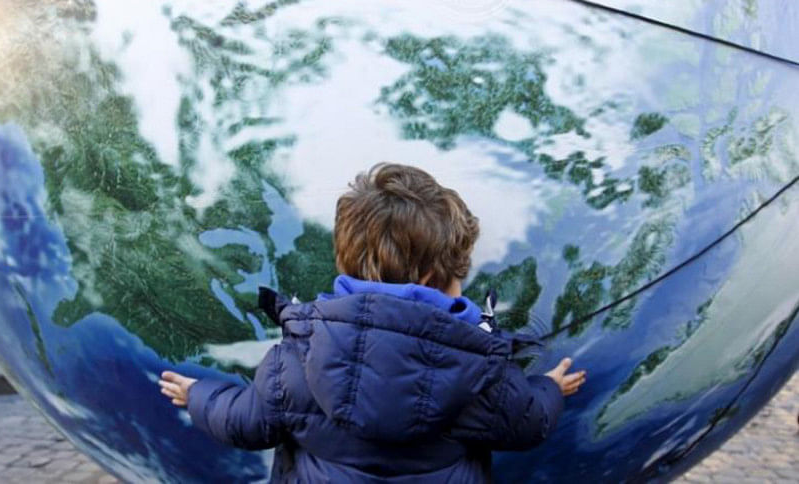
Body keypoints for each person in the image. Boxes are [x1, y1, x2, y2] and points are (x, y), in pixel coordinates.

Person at [159, 163, 585, 482]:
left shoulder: (294, 362)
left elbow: (244, 422)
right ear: (430, 280)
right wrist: (551, 386)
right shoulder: (485, 376)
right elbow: (530, 424)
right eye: (460, 273)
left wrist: (198, 395)